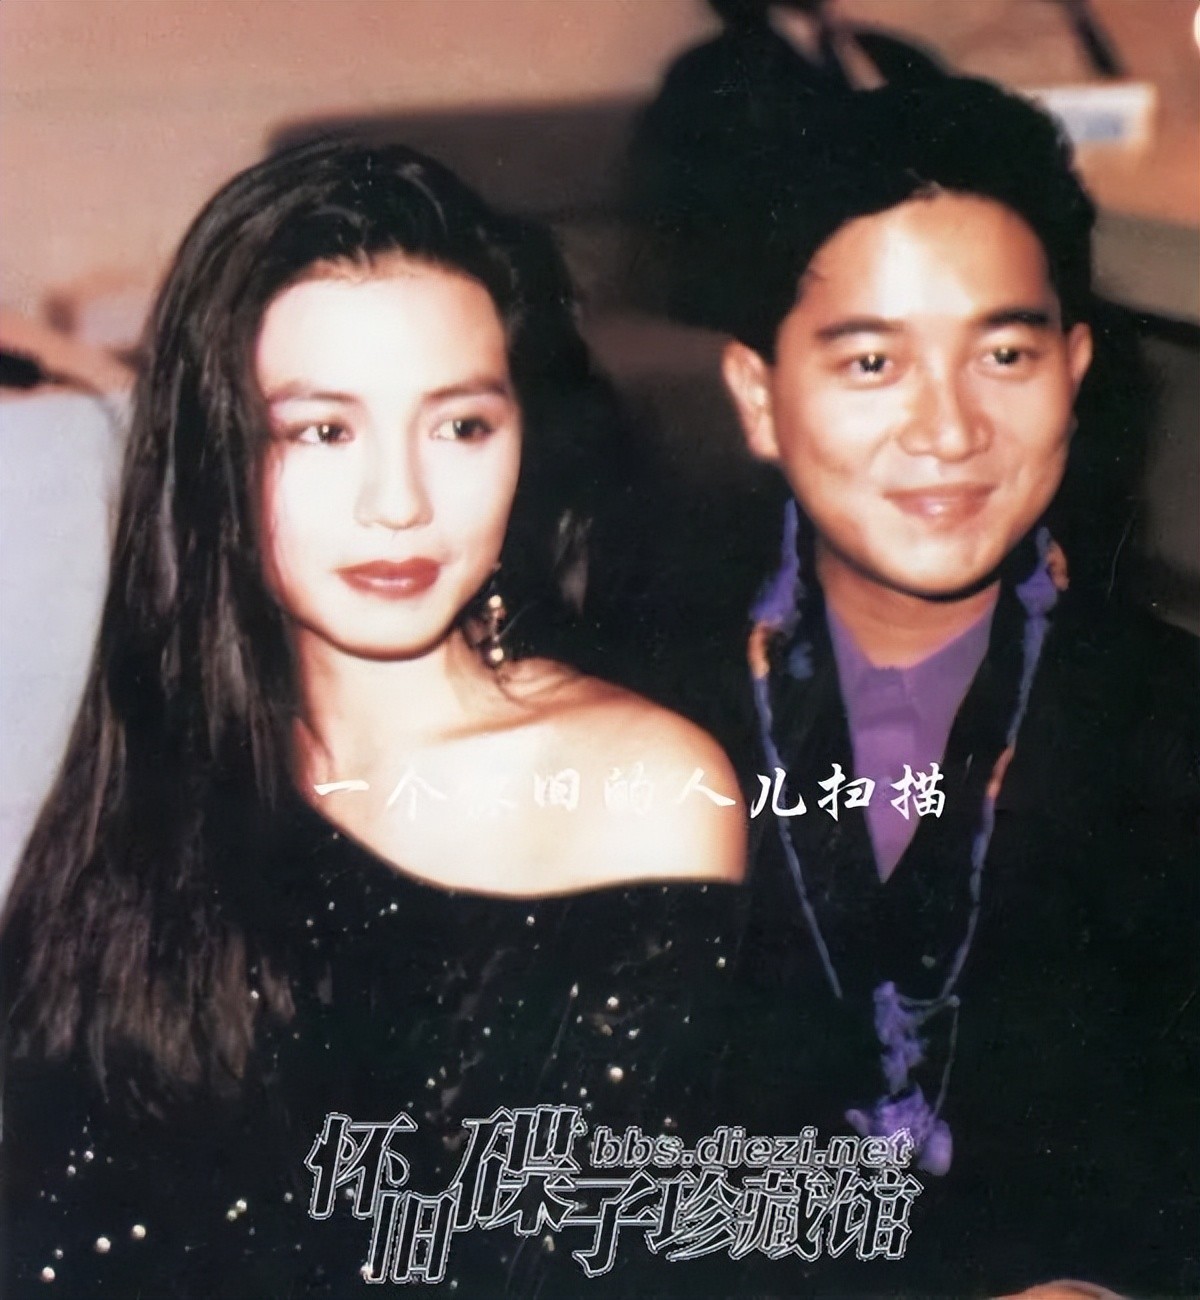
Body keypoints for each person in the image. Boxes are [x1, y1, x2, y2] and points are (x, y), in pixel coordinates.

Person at [0, 138, 745, 1297]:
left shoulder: (636, 788)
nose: (398, 502)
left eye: (461, 426)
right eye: (323, 430)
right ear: (218, 454)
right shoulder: (156, 766)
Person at [715, 80, 1199, 1293]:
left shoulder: (1168, 727)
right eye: (873, 360)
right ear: (759, 398)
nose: (949, 429)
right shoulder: (646, 719)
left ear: (1075, 371)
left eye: (1004, 354)